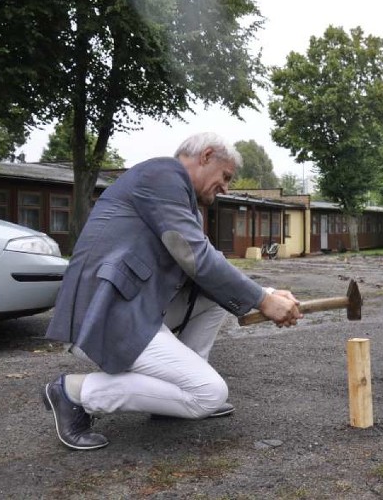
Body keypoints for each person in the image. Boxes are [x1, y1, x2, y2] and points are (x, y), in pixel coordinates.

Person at [42, 132, 303, 450]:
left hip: (134, 309)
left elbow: (208, 271)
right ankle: (75, 393)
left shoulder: (183, 202)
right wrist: (264, 300)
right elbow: (197, 258)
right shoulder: (162, 175)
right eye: (226, 177)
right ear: (206, 156)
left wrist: (268, 293)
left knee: (216, 298)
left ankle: (171, 397)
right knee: (209, 394)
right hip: (105, 313)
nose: (226, 188)